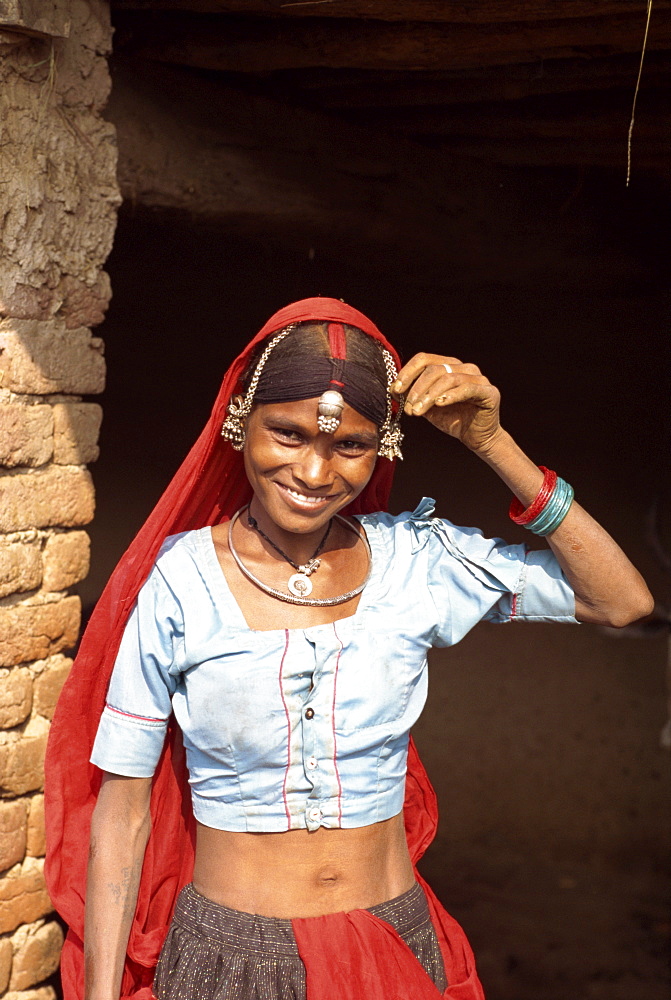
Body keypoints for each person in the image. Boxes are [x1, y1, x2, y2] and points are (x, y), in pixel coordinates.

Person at [45, 298, 652, 1000]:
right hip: (226, 959)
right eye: (287, 433)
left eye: (350, 445)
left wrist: (492, 443)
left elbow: (621, 602)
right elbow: (122, 812)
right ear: (239, 424)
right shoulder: (182, 579)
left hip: (392, 945)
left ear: (382, 448)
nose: (313, 471)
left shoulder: (417, 562)